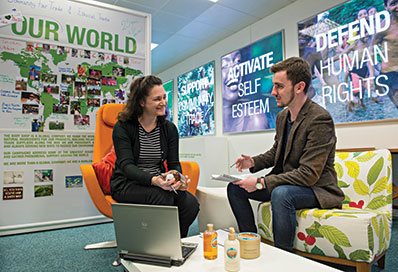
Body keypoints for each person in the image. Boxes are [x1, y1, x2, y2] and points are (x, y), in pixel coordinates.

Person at [227, 57, 344, 252]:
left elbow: (309, 174)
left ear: (299, 87)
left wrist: (261, 182)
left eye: (279, 87)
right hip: (287, 183)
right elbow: (277, 152)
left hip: (316, 188)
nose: (273, 92)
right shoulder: (283, 116)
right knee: (235, 188)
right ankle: (250, 243)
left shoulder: (319, 119)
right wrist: (252, 162)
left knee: (282, 194)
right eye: (274, 86)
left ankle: (283, 256)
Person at [110, 75, 199, 238]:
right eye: (157, 99)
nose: (163, 102)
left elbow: (173, 162)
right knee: (162, 198)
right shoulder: (123, 127)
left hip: (158, 183)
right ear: (141, 102)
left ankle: (175, 242)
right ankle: (157, 244)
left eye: (164, 97)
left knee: (190, 203)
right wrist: (155, 180)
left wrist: (176, 177)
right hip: (127, 183)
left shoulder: (169, 129)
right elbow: (126, 166)